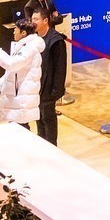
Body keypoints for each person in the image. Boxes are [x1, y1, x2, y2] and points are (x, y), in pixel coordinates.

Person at [0, 18, 44, 130]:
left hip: (22, 101)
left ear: (23, 33)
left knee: (21, 130)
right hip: (18, 100)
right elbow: (11, 75)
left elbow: (11, 64)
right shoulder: (23, 47)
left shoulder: (29, 49)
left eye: (15, 29)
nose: (13, 32)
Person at [35, 7, 70, 145]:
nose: (33, 22)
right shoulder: (34, 39)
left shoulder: (56, 41)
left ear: (45, 21)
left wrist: (56, 91)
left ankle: (51, 149)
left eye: (36, 19)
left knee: (48, 119)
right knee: (39, 119)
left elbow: (60, 68)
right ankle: (41, 147)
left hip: (49, 89)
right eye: (32, 19)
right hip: (37, 87)